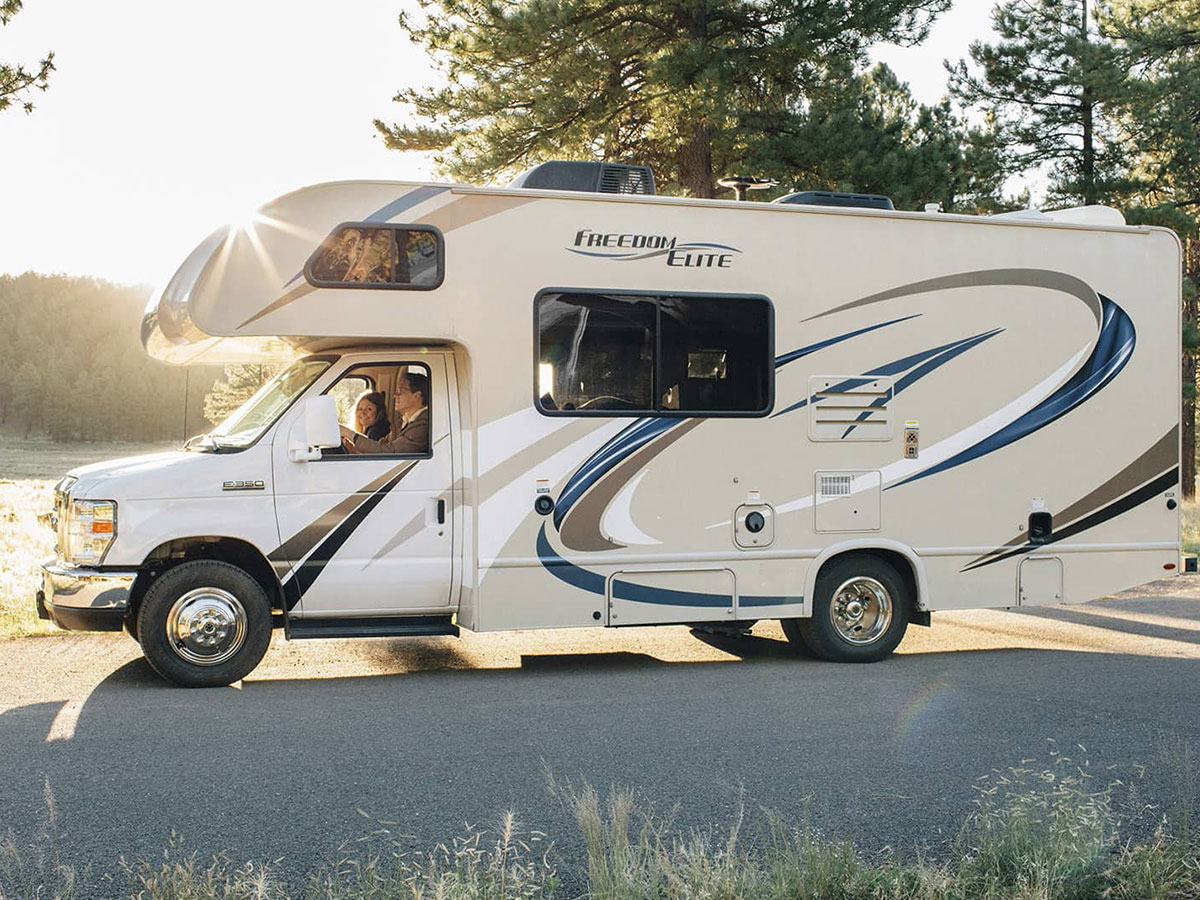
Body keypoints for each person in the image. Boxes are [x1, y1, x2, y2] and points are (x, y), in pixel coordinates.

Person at [341, 370, 429, 454]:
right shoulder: (402, 422)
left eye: (400, 391)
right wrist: (354, 450)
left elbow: (390, 452)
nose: (395, 395)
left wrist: (349, 433)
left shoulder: (423, 426)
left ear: (417, 396)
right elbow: (381, 445)